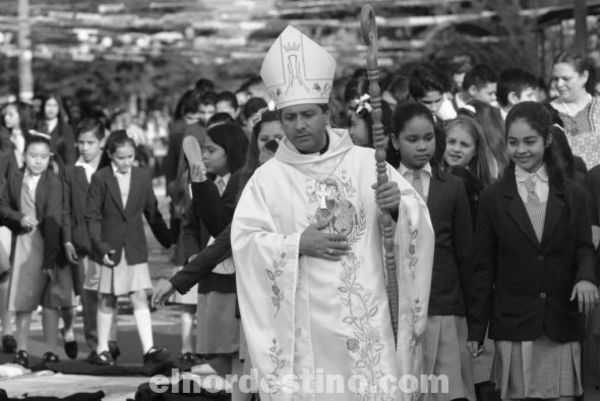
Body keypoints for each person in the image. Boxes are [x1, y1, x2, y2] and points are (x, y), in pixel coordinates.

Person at [230, 25, 435, 401]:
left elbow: (415, 221)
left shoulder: (366, 164)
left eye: (308, 114)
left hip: (366, 327)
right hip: (306, 337)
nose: (299, 125)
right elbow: (245, 242)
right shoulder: (267, 180)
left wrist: (395, 208)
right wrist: (296, 244)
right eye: (290, 117)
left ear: (327, 113)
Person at [468, 101, 598, 401]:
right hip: (514, 321)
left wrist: (587, 278)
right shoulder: (493, 198)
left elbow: (584, 247)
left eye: (530, 141)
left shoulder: (573, 193)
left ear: (547, 140)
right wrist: (477, 330)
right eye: (513, 142)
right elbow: (482, 267)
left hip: (560, 320)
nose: (521, 150)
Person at [390, 102, 475, 401]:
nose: (422, 146)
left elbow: (466, 254)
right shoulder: (384, 186)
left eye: (428, 138)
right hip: (396, 309)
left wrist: (473, 320)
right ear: (394, 141)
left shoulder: (451, 187)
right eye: (412, 140)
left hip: (443, 306)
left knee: (447, 391)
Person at [85, 130, 172, 366]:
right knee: (107, 298)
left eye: (130, 157)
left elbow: (153, 213)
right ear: (111, 155)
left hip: (134, 247)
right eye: (121, 157)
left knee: (139, 296)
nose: (126, 162)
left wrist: (169, 241)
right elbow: (91, 216)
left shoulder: (143, 177)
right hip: (109, 248)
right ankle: (102, 349)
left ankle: (149, 349)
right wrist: (100, 247)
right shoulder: (100, 178)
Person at [0, 133, 72, 367]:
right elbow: (2, 205)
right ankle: (21, 348)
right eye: (33, 156)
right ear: (24, 156)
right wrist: (19, 217)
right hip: (24, 243)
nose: (38, 161)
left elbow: (55, 216)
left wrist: (52, 257)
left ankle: (50, 349)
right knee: (23, 299)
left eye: (43, 156)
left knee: (51, 301)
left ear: (49, 157)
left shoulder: (54, 181)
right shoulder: (15, 178)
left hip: (51, 244)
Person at [62, 118, 120, 362]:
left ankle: (111, 341)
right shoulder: (70, 171)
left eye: (90, 142)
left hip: (108, 240)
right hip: (82, 241)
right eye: (81, 142)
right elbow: (64, 208)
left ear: (102, 142)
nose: (84, 147)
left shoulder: (111, 169)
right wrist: (67, 239)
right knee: (88, 294)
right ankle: (96, 343)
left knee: (109, 292)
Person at [550, 51, 600, 169]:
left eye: (566, 78)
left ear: (584, 77)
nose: (559, 84)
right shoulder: (545, 111)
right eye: (556, 79)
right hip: (563, 184)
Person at [36, 94, 76, 168]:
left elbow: (70, 156)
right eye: (48, 105)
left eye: (54, 105)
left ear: (59, 108)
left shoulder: (66, 129)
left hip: (59, 172)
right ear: (43, 106)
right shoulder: (36, 126)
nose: (51, 109)